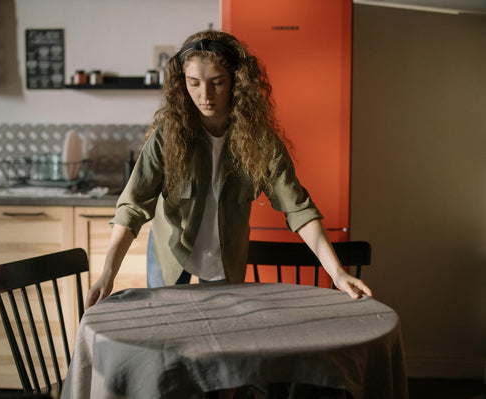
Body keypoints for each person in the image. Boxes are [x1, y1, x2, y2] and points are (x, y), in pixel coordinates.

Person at [86, 30, 372, 309]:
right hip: (171, 254)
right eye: (194, 82)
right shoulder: (167, 137)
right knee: (172, 335)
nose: (205, 94)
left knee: (218, 338)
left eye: (217, 82)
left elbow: (298, 209)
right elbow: (132, 209)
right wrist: (108, 273)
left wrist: (337, 273)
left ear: (236, 81)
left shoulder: (259, 140)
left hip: (224, 258)